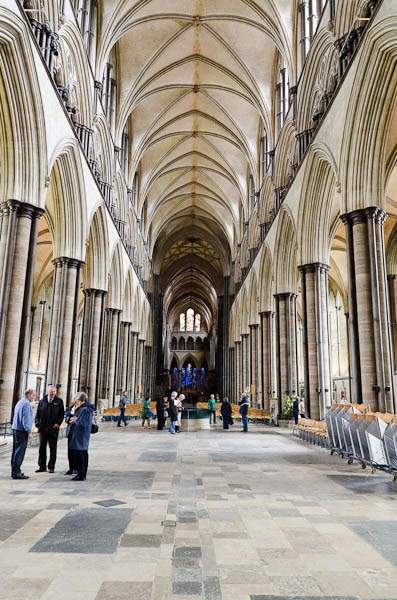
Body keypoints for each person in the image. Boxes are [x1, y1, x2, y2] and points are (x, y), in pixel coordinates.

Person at [35, 385, 64, 473]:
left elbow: (61, 414)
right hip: (43, 429)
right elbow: (38, 414)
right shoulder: (42, 401)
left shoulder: (59, 401)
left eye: (54, 392)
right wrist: (37, 424)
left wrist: (58, 424)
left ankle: (51, 467)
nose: (52, 394)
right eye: (51, 392)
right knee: (42, 448)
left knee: (53, 448)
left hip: (53, 430)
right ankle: (42, 466)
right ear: (47, 392)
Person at [69, 392, 94, 481]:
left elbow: (83, 423)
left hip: (81, 435)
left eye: (78, 400)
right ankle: (81, 474)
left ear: (82, 400)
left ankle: (81, 475)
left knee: (81, 456)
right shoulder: (87, 408)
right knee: (82, 455)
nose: (77, 402)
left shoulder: (85, 409)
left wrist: (75, 421)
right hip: (82, 435)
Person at [11, 389, 35, 479]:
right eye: (33, 395)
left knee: (15, 451)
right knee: (19, 452)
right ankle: (16, 472)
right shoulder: (26, 404)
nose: (34, 397)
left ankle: (15, 470)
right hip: (21, 431)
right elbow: (26, 420)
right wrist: (29, 432)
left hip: (16, 429)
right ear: (28, 395)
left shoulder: (20, 402)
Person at [64, 396, 79, 475]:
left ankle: (76, 468)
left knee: (76, 451)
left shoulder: (81, 409)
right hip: (70, 431)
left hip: (77, 433)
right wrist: (70, 419)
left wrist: (75, 420)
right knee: (70, 451)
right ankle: (71, 468)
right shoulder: (71, 408)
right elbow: (66, 419)